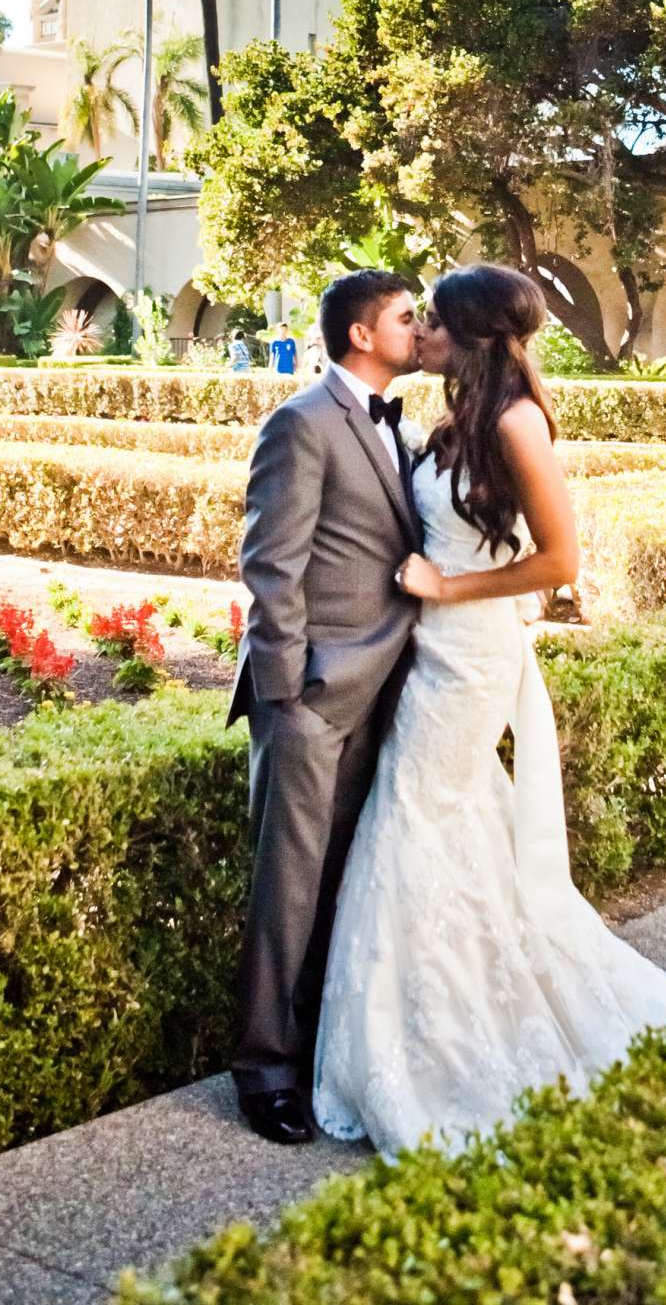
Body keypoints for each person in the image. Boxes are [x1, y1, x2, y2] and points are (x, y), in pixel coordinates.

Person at [312, 263, 666, 1159]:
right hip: (432, 649)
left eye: (429, 324)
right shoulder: (453, 420)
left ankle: (428, 1042)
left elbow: (561, 561)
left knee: (413, 817)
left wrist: (449, 585)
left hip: (469, 658)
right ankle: (466, 995)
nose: (415, 334)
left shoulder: (515, 421)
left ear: (466, 336)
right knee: (450, 824)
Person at [228, 270, 424, 1145]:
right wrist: (288, 694)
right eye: (406, 319)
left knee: (349, 880)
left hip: (385, 687)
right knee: (288, 892)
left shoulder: (401, 429)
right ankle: (263, 1069)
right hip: (313, 697)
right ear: (359, 335)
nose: (420, 332)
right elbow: (271, 564)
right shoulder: (301, 423)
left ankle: (319, 1051)